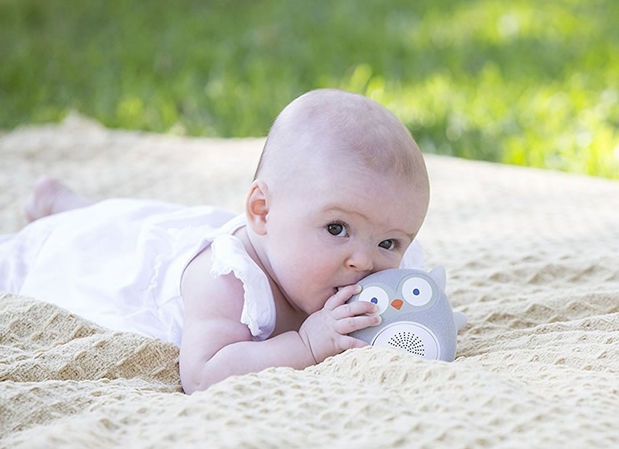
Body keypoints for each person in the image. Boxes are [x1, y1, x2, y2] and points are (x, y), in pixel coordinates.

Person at [0, 89, 431, 394]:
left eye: (389, 243)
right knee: (98, 235)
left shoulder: (348, 258)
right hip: (116, 262)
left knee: (140, 218)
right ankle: (62, 211)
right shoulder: (226, 282)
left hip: (175, 229)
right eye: (337, 229)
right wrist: (306, 345)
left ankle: (63, 201)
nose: (365, 262)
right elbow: (203, 375)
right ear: (263, 212)